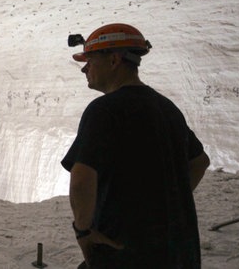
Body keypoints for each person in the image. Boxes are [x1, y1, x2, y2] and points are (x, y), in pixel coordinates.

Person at [61, 23, 211, 268]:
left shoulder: (104, 110)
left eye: (90, 60)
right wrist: (163, 208)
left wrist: (84, 233)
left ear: (113, 61)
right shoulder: (166, 108)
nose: (84, 69)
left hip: (125, 252)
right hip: (180, 252)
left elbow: (81, 178)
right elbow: (200, 162)